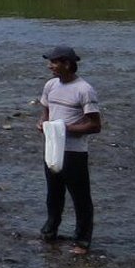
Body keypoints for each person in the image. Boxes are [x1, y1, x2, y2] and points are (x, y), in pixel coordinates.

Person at [38, 45, 102, 255]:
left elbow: (95, 125)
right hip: (52, 148)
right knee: (53, 194)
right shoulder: (50, 86)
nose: (50, 66)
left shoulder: (84, 90)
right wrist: (43, 124)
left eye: (54, 62)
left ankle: (82, 240)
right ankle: (50, 230)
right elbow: (46, 111)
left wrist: (66, 129)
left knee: (80, 197)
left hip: (74, 152)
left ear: (67, 64)